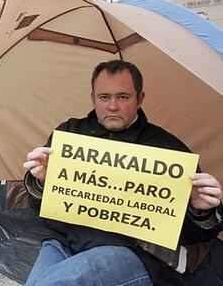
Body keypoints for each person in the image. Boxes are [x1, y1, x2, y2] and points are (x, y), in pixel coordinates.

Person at [23, 60, 222, 286]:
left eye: (123, 97)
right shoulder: (68, 133)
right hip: (64, 242)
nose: (113, 106)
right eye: (104, 97)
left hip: (132, 252)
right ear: (93, 98)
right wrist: (40, 183)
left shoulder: (168, 150)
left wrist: (199, 210)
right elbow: (44, 208)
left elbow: (194, 235)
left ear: (140, 99)